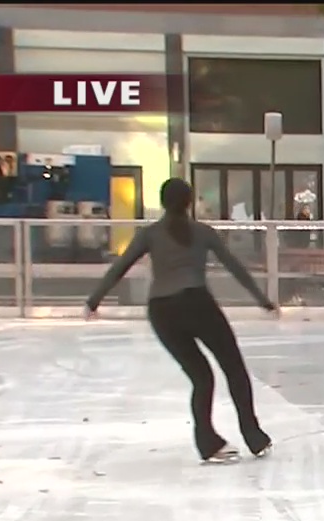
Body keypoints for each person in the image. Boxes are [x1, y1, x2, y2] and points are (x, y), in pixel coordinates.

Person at [83, 178, 279, 464]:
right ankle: (253, 436)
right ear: (190, 202)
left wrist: (93, 301)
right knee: (234, 369)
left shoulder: (149, 234)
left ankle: (208, 443)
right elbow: (235, 267)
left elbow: (120, 266)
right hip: (197, 304)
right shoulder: (203, 232)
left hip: (162, 312)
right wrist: (263, 300)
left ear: (163, 203)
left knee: (201, 377)